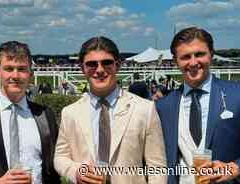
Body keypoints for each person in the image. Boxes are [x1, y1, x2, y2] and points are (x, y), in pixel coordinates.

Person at [54, 36, 167, 184]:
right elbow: (60, 157)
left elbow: (157, 167)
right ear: (83, 68)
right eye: (92, 64)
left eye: (106, 63)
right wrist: (76, 172)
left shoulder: (144, 109)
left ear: (117, 65)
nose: (100, 70)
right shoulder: (70, 113)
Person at [156, 27, 240, 184]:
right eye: (185, 57)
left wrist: (236, 167)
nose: (193, 62)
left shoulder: (236, 95)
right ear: (175, 61)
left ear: (211, 54)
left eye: (199, 54)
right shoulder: (163, 106)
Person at [0, 41, 61, 184]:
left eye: (22, 69)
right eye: (9, 68)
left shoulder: (44, 114)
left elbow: (53, 168)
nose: (15, 75)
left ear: (31, 74)